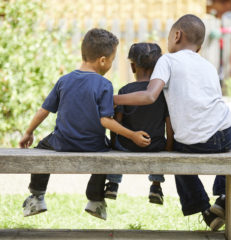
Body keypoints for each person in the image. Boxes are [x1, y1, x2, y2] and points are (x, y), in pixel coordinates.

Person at [113, 14, 231, 231]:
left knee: (177, 151)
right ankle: (223, 195)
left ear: (177, 35)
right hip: (225, 132)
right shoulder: (208, 65)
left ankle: (203, 208)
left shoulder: (167, 60)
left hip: (195, 142)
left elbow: (149, 96)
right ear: (198, 48)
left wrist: (112, 98)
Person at [18, 28, 151, 220]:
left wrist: (29, 132)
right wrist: (132, 135)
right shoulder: (104, 85)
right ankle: (95, 200)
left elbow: (44, 110)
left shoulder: (64, 80)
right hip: (93, 145)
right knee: (108, 150)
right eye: (112, 61)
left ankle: (37, 196)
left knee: (41, 148)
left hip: (62, 142)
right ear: (103, 60)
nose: (111, 65)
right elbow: (105, 120)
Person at [105, 43, 174, 205]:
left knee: (116, 148)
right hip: (155, 145)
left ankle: (113, 183)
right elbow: (169, 126)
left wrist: (114, 143)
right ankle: (156, 186)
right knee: (159, 149)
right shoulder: (162, 93)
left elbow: (117, 122)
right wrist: (168, 148)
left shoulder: (125, 91)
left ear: (133, 67)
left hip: (126, 145)